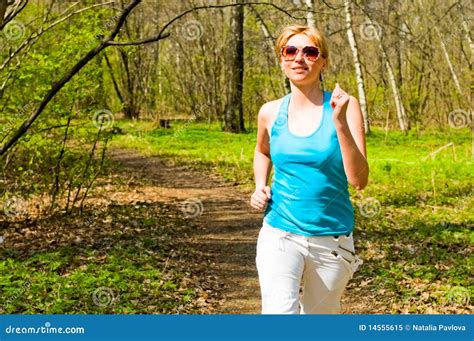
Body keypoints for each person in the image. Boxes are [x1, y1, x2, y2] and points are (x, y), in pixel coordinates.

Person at [250, 25, 369, 314]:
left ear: (323, 61)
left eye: (310, 51)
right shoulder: (270, 111)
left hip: (332, 239)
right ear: (282, 59)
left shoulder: (346, 106)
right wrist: (259, 185)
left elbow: (359, 180)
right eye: (290, 51)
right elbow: (262, 151)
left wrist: (339, 122)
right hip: (280, 232)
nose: (299, 58)